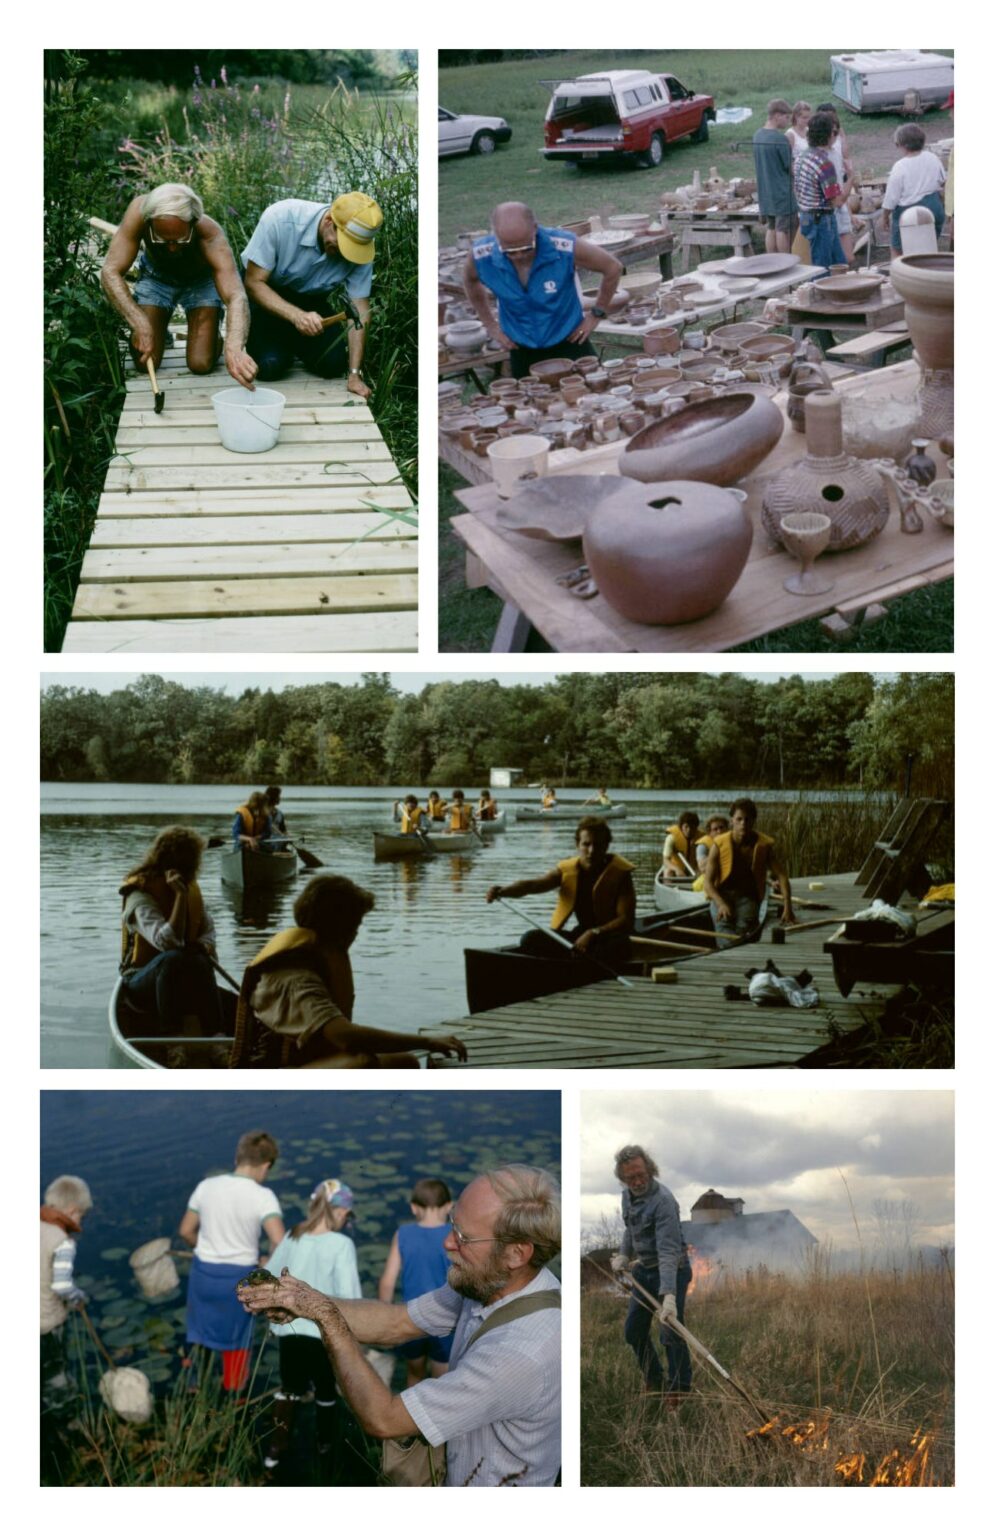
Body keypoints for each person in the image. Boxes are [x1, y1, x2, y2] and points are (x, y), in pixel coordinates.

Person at [239, 1166, 561, 1487]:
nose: (447, 1243)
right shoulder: (485, 1284)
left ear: (516, 1253)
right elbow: (395, 1322)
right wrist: (303, 1303)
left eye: (463, 1237)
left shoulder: (519, 1354)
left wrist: (325, 1315)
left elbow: (384, 1418)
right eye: (453, 1226)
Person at [231, 874, 468, 1069]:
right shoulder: (296, 979)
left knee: (406, 1062)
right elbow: (343, 1035)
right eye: (356, 926)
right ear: (342, 928)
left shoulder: (312, 958)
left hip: (302, 1064)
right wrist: (427, 1041)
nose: (356, 935)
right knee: (362, 1063)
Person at [100, 182, 256, 387]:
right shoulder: (139, 213)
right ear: (149, 223)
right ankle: (160, 332)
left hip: (200, 281)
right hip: (157, 278)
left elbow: (236, 295)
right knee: (144, 361)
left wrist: (234, 347)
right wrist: (138, 321)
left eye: (181, 240)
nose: (172, 249)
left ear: (193, 223)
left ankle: (210, 332)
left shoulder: (209, 232)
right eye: (162, 240)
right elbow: (110, 271)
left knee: (200, 363)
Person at [262, 1178, 362, 1475]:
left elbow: (270, 1275)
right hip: (322, 1332)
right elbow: (351, 1297)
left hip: (290, 1332)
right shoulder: (342, 1245)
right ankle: (325, 1446)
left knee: (290, 1389)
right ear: (341, 1213)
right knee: (325, 1390)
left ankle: (275, 1450)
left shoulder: (293, 1235)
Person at [463, 201, 623, 380]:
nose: (518, 256)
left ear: (535, 229)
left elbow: (612, 268)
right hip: (521, 346)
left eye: (525, 249)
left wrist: (596, 314)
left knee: (591, 399)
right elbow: (470, 282)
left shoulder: (564, 245)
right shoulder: (480, 254)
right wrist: (490, 325)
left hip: (570, 339)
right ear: (496, 237)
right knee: (530, 405)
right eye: (510, 251)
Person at [241, 193, 383, 395]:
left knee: (333, 365)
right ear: (328, 221)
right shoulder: (281, 218)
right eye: (343, 245)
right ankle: (281, 343)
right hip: (266, 295)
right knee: (270, 366)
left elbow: (359, 307)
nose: (346, 254)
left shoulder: (360, 248)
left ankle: (290, 340)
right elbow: (253, 283)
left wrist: (354, 374)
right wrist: (296, 316)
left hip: (310, 301)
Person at [179, 1130, 286, 1393]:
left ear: (237, 1157)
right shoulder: (263, 1196)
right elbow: (280, 1240)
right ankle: (233, 1401)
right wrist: (267, 1263)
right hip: (238, 1280)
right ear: (265, 1166)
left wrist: (204, 1247)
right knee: (237, 1344)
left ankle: (194, 1391)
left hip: (203, 1275)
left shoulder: (206, 1187)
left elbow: (185, 1231)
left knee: (200, 1336)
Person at [119, 826, 225, 1068]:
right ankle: (173, 1041)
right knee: (174, 958)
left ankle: (218, 1039)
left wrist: (203, 945)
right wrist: (178, 898)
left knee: (200, 958)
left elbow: (209, 930)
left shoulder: (190, 889)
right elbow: (165, 943)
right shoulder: (141, 894)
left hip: (179, 973)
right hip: (140, 980)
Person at [486, 816, 635, 967]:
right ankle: (576, 958)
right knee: (530, 939)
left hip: (610, 936)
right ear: (577, 845)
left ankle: (576, 960)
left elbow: (625, 919)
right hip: (580, 935)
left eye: (597, 845)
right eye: (586, 844)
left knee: (616, 947)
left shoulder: (620, 873)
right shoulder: (567, 871)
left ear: (606, 846)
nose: (591, 851)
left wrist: (594, 932)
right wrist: (503, 891)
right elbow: (533, 885)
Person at [610, 1146, 692, 1407]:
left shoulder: (664, 1201)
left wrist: (668, 1295)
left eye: (640, 1175)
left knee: (670, 1333)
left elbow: (668, 1251)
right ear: (623, 1179)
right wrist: (624, 1255)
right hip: (643, 1270)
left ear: (650, 1170)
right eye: (630, 1178)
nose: (637, 1182)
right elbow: (630, 1229)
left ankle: (680, 1387)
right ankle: (655, 1379)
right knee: (634, 1331)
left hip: (672, 1271)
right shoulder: (627, 1196)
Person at [379, 1177, 454, 1388]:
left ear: (414, 1208)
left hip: (411, 1317)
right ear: (449, 1206)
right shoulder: (454, 1237)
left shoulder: (403, 1234)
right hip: (446, 1319)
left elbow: (387, 1281)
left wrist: (384, 1316)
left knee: (414, 1376)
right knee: (443, 1382)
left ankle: (411, 1420)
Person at [702, 797, 796, 948]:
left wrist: (787, 907)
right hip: (722, 896)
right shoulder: (718, 845)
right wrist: (720, 904)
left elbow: (782, 875)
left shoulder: (763, 846)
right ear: (732, 820)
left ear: (753, 821)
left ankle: (732, 948)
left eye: (747, 819)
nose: (743, 824)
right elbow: (707, 883)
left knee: (744, 929)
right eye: (739, 819)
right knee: (723, 927)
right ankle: (734, 948)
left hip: (747, 897)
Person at [41, 1175, 93, 1445]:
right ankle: (69, 1434)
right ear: (73, 1210)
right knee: (56, 1379)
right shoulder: (63, 1241)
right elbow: (61, 1285)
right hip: (45, 1326)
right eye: (81, 1216)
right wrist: (77, 1296)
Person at [793, 110, 849, 270]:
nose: (836, 135)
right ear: (829, 135)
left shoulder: (801, 158)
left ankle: (841, 292)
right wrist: (851, 177)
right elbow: (837, 201)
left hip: (807, 216)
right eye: (835, 132)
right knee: (822, 269)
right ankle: (821, 294)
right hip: (821, 219)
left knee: (840, 264)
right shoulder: (825, 164)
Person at [881, 123, 946, 257]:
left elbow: (891, 198)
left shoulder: (900, 166)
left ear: (903, 144)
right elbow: (943, 181)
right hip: (934, 208)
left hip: (909, 212)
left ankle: (902, 276)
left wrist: (885, 216)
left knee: (898, 250)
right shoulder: (932, 157)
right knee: (928, 248)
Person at [752, 99, 796, 254]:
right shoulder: (779, 139)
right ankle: (786, 263)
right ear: (777, 115)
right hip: (782, 192)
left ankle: (772, 260)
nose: (787, 121)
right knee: (782, 230)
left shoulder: (757, 136)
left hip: (766, 192)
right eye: (786, 117)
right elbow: (791, 169)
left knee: (771, 227)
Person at [816, 103, 856, 263]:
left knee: (847, 257)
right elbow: (837, 200)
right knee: (834, 259)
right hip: (828, 206)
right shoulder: (820, 156)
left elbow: (846, 155)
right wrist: (851, 178)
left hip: (840, 192)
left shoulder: (838, 136)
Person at [661, 812, 701, 881]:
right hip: (677, 869)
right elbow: (665, 860)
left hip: (694, 870)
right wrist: (677, 869)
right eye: (686, 826)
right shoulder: (671, 838)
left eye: (692, 827)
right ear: (681, 827)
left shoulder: (702, 838)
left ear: (696, 827)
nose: (689, 830)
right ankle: (670, 888)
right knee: (668, 872)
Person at [694, 815, 730, 889]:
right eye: (715, 829)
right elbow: (702, 867)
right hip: (707, 880)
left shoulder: (733, 842)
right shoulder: (702, 846)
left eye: (721, 827)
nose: (719, 831)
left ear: (727, 829)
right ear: (709, 832)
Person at [265, 786, 290, 851]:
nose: (280, 798)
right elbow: (270, 825)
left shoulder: (280, 813)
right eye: (278, 796)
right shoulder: (261, 812)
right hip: (264, 842)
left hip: (277, 842)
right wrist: (282, 835)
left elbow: (283, 830)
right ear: (273, 797)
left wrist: (288, 837)